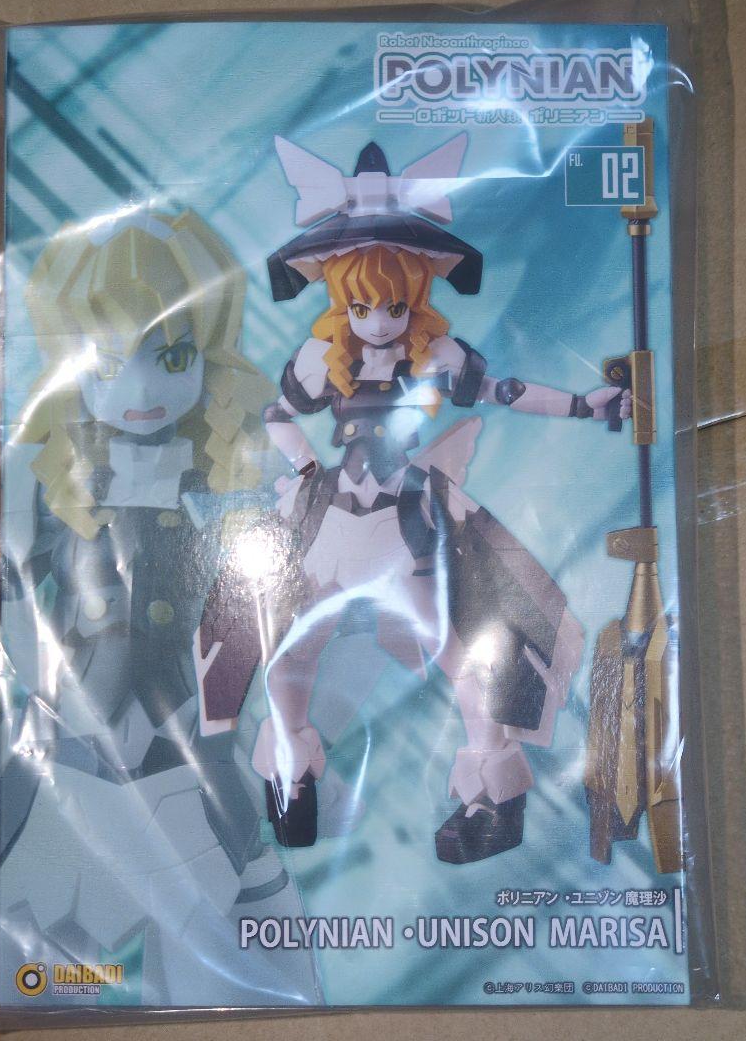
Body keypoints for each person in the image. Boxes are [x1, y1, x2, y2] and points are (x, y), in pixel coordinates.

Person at [196, 136, 630, 865]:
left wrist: (586, 404)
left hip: (405, 522)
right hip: (335, 518)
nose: (378, 320)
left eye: (393, 304)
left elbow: (506, 391)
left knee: (463, 655)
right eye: (362, 304)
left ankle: (493, 798)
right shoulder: (322, 358)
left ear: (416, 295)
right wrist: (304, 466)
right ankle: (292, 779)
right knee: (290, 649)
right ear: (341, 296)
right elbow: (276, 414)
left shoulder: (436, 355)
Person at [0, 209, 322, 1006]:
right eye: (108, 362)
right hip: (74, 728)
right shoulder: (44, 472)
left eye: (172, 356)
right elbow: (3, 593)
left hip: (195, 730)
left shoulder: (233, 466)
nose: (140, 391)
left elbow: (285, 591)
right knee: (48, 928)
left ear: (206, 351)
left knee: (236, 899)